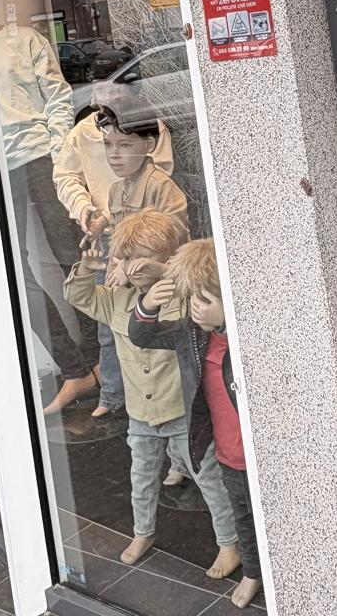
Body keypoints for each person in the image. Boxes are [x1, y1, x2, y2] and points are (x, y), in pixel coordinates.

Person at [63, 211, 241, 574]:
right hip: (141, 415)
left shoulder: (183, 296)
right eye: (128, 257)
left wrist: (166, 273)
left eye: (146, 256)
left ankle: (229, 543)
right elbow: (79, 296)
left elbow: (203, 288)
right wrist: (86, 269)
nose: (136, 265)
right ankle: (142, 532)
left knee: (209, 479)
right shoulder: (117, 299)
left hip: (183, 412)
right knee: (141, 480)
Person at [0, 0, 94, 412]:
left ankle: (103, 363)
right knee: (12, 269)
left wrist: (58, 155)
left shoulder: (24, 40)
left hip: (41, 159)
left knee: (72, 255)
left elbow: (58, 97)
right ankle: (75, 368)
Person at [132, 238, 263, 608]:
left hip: (261, 453)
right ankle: (253, 570)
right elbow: (142, 334)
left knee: (270, 514)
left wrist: (225, 321)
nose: (197, 307)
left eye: (206, 298)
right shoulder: (192, 335)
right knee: (243, 515)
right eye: (192, 298)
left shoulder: (245, 333)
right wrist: (149, 302)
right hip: (228, 455)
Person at [54, 96, 178, 419]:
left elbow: (170, 233)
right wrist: (91, 217)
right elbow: (67, 177)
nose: (113, 155)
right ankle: (114, 395)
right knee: (111, 327)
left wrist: (129, 262)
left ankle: (154, 409)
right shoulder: (113, 185)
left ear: (146, 145)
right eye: (108, 145)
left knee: (154, 336)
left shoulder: (159, 185)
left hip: (153, 267)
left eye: (122, 145)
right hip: (118, 256)